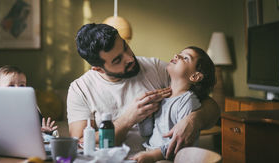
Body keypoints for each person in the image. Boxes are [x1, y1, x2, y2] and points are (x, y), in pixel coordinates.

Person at [67, 23, 220, 157]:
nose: (130, 58)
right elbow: (81, 144)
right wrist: (128, 120)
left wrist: (194, 120)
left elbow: (211, 106)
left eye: (126, 47)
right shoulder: (80, 89)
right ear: (98, 69)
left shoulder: (156, 69)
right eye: (118, 60)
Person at [130, 46, 216, 162]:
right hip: (151, 153)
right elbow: (147, 132)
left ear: (195, 76)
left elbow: (182, 144)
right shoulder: (164, 97)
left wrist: (153, 156)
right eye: (180, 53)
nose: (177, 55)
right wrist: (146, 115)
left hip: (170, 158)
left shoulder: (187, 101)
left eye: (185, 58)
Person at [0, 65, 58, 134]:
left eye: (22, 85)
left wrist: (46, 132)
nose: (17, 89)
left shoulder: (32, 108)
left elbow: (39, 132)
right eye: (11, 85)